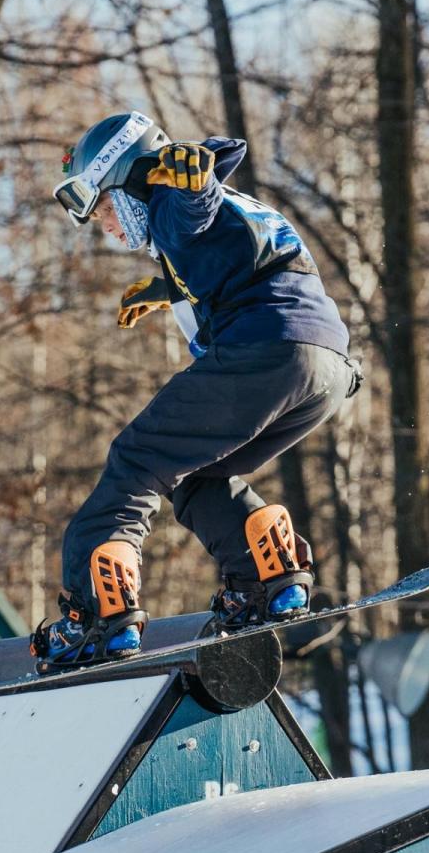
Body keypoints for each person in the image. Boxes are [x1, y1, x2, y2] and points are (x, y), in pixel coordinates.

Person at [31, 110, 360, 669]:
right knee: (199, 480)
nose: (108, 228)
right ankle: (269, 580)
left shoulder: (170, 198)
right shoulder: (240, 208)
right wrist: (171, 286)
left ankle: (97, 617)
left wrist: (193, 185)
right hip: (325, 368)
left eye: (107, 208)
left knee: (137, 462)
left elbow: (190, 210)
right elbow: (238, 252)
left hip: (265, 352)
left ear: (130, 179)